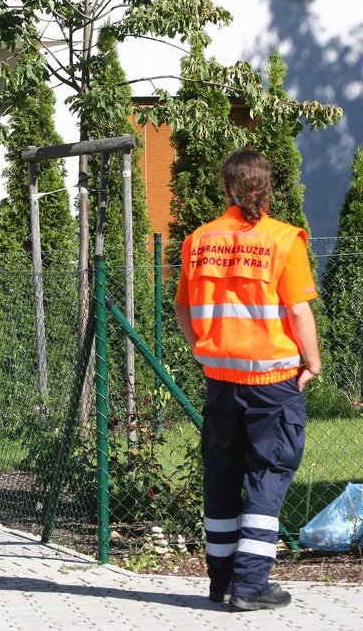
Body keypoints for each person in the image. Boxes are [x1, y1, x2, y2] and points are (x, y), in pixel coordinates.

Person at [175, 149, 321, 612]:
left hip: (220, 378)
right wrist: (312, 362)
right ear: (268, 188)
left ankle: (220, 582)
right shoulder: (284, 240)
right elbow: (298, 310)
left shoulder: (198, 239)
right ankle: (251, 584)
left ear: (227, 189)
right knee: (269, 474)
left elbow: (182, 307)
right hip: (274, 380)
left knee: (221, 476)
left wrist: (203, 346)